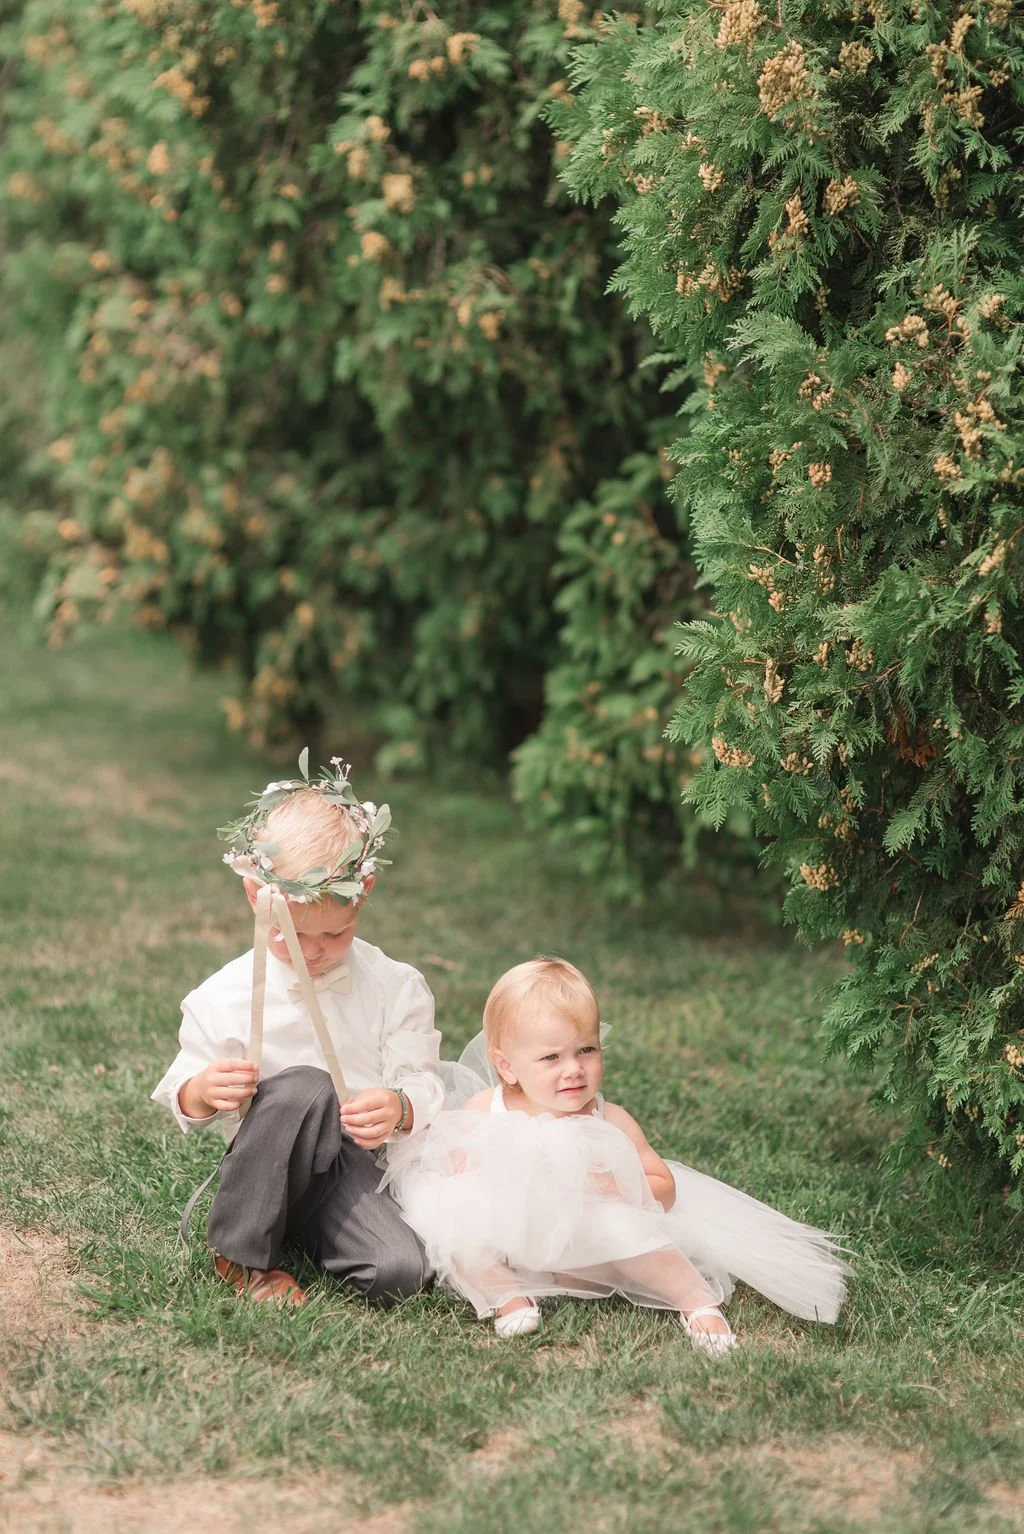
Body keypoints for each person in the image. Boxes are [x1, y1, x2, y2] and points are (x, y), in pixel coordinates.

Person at [384, 957, 849, 1352]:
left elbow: (663, 1186)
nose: (574, 1070)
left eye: (586, 1050)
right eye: (551, 1058)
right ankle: (508, 1297)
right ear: (506, 1066)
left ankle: (695, 1301)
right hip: (516, 1232)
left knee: (630, 1229)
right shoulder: (488, 1109)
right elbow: (462, 1167)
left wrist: (621, 1185)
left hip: (588, 1239)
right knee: (456, 1224)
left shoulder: (608, 1119)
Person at [152, 755, 443, 1308]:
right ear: (256, 900)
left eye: (335, 935)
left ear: (365, 894)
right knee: (307, 1084)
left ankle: (308, 1227)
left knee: (402, 1273)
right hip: (269, 1160)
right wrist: (202, 1090)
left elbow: (423, 1081)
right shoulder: (226, 994)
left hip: (354, 1162)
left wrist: (401, 1106)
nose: (313, 954)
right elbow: (181, 1089)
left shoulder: (397, 986)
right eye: (293, 937)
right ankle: (243, 1252)